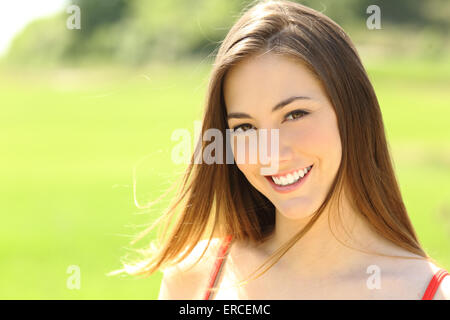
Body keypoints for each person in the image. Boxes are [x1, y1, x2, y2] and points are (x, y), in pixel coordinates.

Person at [112, 0, 450, 299]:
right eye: (245, 127)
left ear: (353, 114)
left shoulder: (427, 292)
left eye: (294, 115)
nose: (270, 153)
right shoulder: (195, 279)